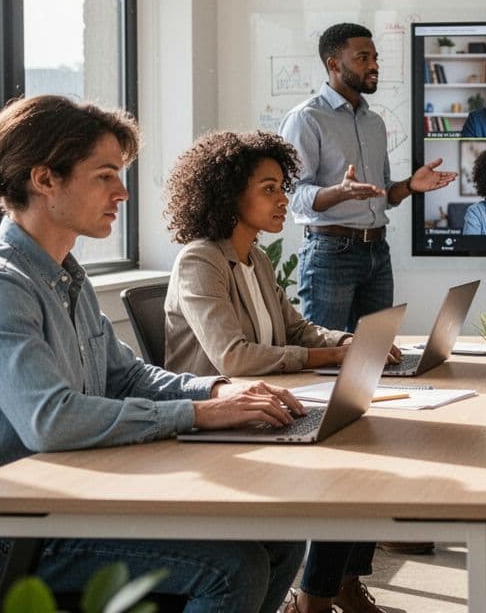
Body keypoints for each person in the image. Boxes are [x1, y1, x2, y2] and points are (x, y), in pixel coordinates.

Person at [0, 95, 303, 613]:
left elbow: (127, 377)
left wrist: (219, 389)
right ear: (45, 179)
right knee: (233, 568)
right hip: (27, 528)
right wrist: (198, 412)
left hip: (87, 494)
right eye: (105, 175)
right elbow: (52, 421)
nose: (123, 192)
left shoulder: (68, 277)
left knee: (282, 538)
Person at [161, 130, 385, 613]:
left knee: (361, 453)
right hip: (218, 424)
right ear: (228, 194)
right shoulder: (200, 260)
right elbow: (234, 358)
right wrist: (326, 358)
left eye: (283, 187)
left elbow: (298, 330)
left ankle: (320, 594)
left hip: (264, 410)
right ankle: (318, 598)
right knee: (348, 466)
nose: (283, 199)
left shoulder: (255, 258)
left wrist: (348, 342)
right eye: (269, 189)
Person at [279, 22, 457, 334]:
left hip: (377, 251)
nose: (374, 65)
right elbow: (294, 195)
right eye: (363, 58)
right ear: (334, 64)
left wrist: (410, 186)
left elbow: (382, 193)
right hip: (330, 253)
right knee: (325, 357)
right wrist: (340, 192)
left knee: (374, 354)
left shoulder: (374, 122)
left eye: (375, 58)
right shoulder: (306, 118)